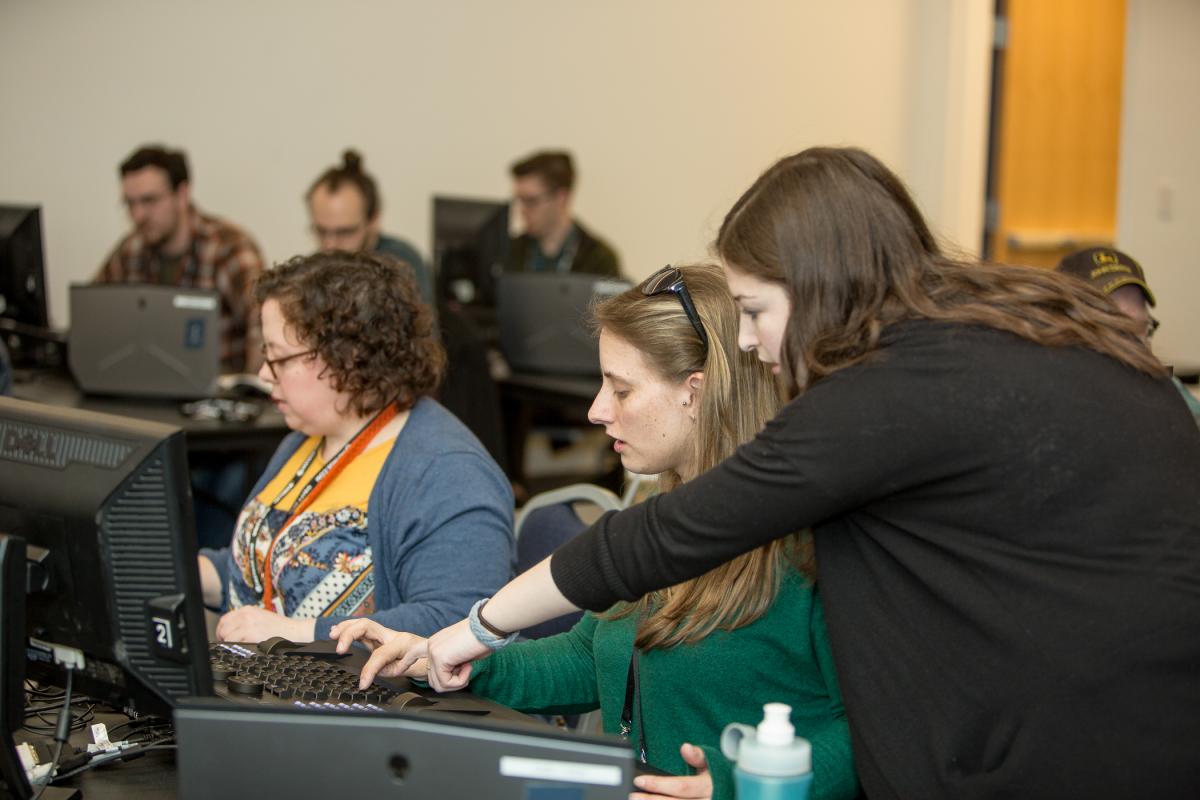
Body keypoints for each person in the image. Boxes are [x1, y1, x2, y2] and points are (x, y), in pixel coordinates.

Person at [399, 148, 1200, 799]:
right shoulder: (986, 322)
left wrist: (476, 627)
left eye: (754, 311)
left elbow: (659, 539)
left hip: (1093, 735)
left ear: (820, 284)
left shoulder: (889, 391)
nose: (747, 342)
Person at [333, 263, 859, 800]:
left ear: (695, 393)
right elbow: (591, 658)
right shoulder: (658, 513)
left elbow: (869, 735)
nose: (596, 411)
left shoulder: (811, 544)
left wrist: (733, 786)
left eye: (622, 390)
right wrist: (451, 660)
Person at [197, 250, 514, 643]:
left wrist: (297, 633)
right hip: (269, 675)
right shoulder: (306, 439)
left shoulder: (449, 472)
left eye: (279, 358)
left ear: (348, 359)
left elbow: (459, 622)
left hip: (354, 683)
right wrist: (187, 572)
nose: (264, 374)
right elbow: (275, 562)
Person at [95, 144, 264, 373]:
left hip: (218, 388)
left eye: (149, 201)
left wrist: (251, 386)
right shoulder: (131, 250)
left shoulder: (228, 249)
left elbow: (263, 324)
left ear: (182, 194)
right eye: (130, 203)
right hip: (149, 383)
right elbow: (94, 314)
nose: (138, 215)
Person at [1056, 246, 1200, 423]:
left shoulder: (1164, 388)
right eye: (1115, 328)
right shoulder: (1048, 401)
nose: (1133, 347)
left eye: (1140, 329)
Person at [306, 149, 433, 305]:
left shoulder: (400, 264)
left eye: (345, 232)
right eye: (321, 231)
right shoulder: (313, 270)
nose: (330, 245)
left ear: (374, 220)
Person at [506, 150, 621, 277]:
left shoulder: (598, 260)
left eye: (531, 201)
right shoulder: (507, 254)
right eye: (520, 200)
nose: (522, 209)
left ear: (561, 198)